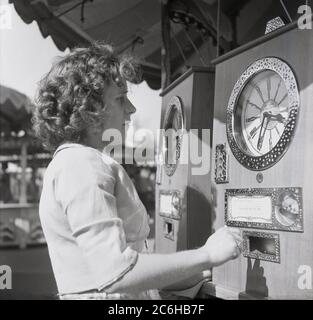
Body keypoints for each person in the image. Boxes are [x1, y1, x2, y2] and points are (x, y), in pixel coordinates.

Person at [33, 42, 242, 300]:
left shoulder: (71, 162)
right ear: (88, 110)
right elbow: (118, 273)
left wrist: (197, 271)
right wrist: (207, 254)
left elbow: (122, 271)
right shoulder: (83, 164)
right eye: (121, 98)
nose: (131, 109)